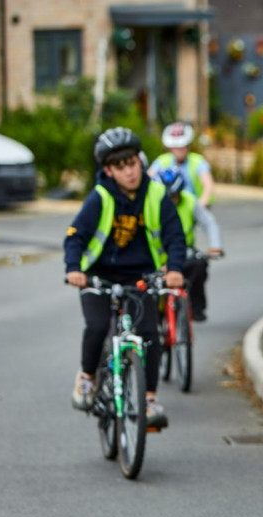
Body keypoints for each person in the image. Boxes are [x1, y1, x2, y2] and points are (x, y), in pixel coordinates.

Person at [65, 127, 187, 429]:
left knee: (148, 336)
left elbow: (175, 237)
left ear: (140, 162)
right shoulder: (101, 196)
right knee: (96, 326)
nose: (129, 172)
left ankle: (148, 399)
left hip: (141, 277)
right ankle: (87, 377)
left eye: (132, 164)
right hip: (98, 277)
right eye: (120, 167)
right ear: (108, 170)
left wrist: (174, 269)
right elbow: (75, 236)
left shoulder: (156, 193)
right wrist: (73, 269)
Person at [156, 168, 224, 321]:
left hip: (183, 252)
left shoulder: (190, 201)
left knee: (199, 265)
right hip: (157, 255)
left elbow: (209, 222)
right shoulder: (151, 202)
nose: (170, 201)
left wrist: (215, 246)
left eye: (174, 197)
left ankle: (195, 308)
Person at [148, 122, 215, 207]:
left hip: (193, 208)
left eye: (182, 146)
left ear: (188, 146)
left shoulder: (197, 161)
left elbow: (208, 185)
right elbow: (147, 179)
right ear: (170, 148)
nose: (179, 150)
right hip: (167, 207)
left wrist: (201, 204)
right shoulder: (162, 161)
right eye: (176, 147)